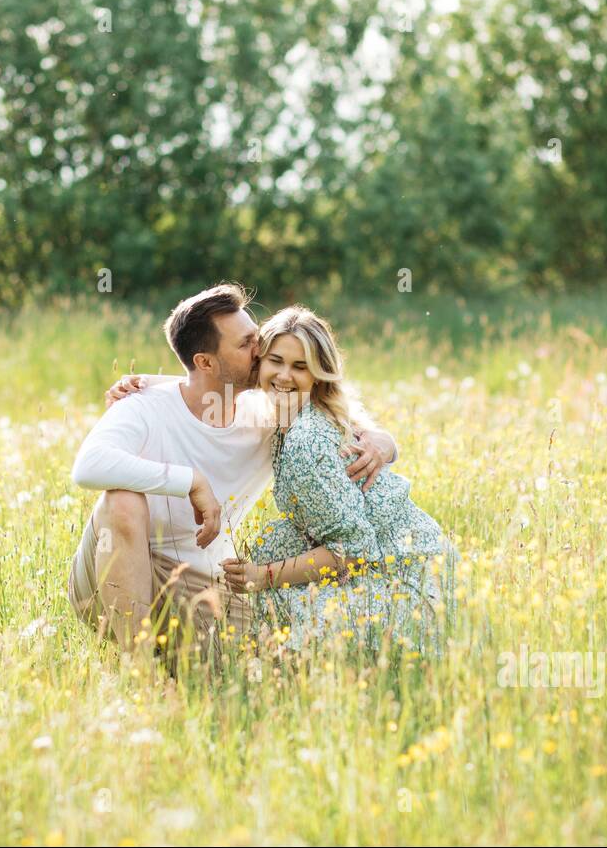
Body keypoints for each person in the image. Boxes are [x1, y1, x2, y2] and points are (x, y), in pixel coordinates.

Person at [68, 282, 398, 664]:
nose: (261, 350)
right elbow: (87, 467)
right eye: (245, 344)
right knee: (121, 500)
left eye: (256, 338)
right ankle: (139, 675)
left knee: (260, 674)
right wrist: (191, 481)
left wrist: (384, 442)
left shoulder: (267, 414)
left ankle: (172, 665)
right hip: (108, 577)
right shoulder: (141, 406)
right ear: (205, 362)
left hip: (197, 580)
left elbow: (340, 422)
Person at [218, 306, 454, 654]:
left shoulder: (305, 441)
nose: (284, 376)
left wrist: (262, 575)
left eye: (301, 367)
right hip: (391, 559)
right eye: (276, 361)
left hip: (405, 576)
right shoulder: (290, 416)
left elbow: (352, 549)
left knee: (289, 629)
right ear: (259, 365)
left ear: (319, 376)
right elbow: (209, 381)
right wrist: (145, 385)